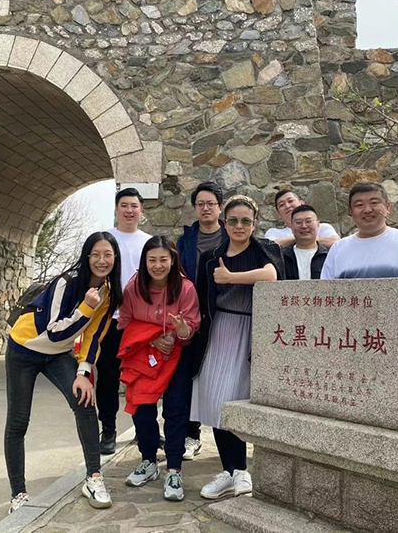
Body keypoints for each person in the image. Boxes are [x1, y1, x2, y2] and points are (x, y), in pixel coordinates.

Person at [4, 232, 123, 513]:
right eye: (96, 254)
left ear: (115, 258)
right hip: (24, 349)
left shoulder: (108, 293)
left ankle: (94, 477)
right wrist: (86, 308)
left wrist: (83, 372)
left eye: (108, 255)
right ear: (87, 256)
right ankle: (18, 494)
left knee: (85, 403)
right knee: (18, 421)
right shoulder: (66, 282)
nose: (102, 261)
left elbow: (94, 336)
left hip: (57, 355)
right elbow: (54, 331)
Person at [190, 195, 283, 500]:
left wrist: (231, 277)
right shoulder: (212, 255)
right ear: (224, 222)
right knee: (217, 400)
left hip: (253, 331)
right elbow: (201, 296)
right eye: (233, 220)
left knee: (236, 399)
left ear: (254, 224)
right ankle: (231, 471)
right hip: (219, 331)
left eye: (246, 220)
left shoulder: (263, 249)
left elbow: (272, 275)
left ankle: (240, 470)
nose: (239, 226)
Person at [117, 236, 201, 501]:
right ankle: (148, 460)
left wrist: (182, 331)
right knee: (142, 407)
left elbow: (191, 328)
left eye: (163, 259)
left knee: (175, 410)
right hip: (144, 353)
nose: (157, 265)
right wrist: (152, 338)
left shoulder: (185, 288)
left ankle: (174, 469)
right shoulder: (134, 287)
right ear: (144, 261)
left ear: (173, 260)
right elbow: (124, 321)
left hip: (176, 356)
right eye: (152, 260)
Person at [176, 181, 228, 460]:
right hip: (193, 315)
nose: (205, 208)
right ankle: (191, 435)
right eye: (200, 204)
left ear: (220, 207)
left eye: (211, 204)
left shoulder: (231, 235)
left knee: (226, 375)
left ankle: (230, 437)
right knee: (190, 374)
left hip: (226, 313)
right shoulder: (185, 240)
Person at [97, 188, 151, 454]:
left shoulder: (149, 243)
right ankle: (108, 429)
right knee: (107, 378)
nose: (129, 210)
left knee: (140, 378)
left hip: (139, 323)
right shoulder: (105, 240)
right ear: (117, 209)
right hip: (109, 320)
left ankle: (144, 430)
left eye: (134, 206)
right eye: (124, 205)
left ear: (141, 210)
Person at [320, 182, 398, 288]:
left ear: (388, 207)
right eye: (359, 205)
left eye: (374, 203)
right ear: (351, 212)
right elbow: (326, 294)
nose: (367, 210)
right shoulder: (338, 249)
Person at [265, 188, 340, 248]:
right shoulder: (274, 233)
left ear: (302, 203)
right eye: (282, 205)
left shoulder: (322, 228)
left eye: (290, 201)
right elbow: (268, 247)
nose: (287, 206)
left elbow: (336, 243)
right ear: (278, 214)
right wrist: (301, 237)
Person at [282, 205, 329, 280]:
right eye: (298, 222)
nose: (304, 226)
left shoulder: (328, 256)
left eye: (308, 221)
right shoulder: (283, 257)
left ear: (318, 224)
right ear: (291, 227)